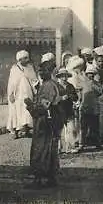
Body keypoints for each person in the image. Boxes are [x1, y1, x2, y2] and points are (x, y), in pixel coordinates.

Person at [24, 53, 63, 188]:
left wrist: (30, 106)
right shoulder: (46, 85)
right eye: (39, 71)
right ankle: (51, 178)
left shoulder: (49, 86)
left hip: (45, 121)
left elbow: (44, 106)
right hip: (46, 120)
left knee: (42, 149)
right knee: (49, 149)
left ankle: (39, 179)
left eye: (44, 70)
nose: (40, 73)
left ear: (50, 71)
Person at [7, 50, 38, 139]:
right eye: (22, 59)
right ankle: (16, 132)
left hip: (28, 94)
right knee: (17, 112)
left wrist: (35, 90)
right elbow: (11, 83)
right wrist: (11, 94)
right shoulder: (14, 69)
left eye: (25, 58)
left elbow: (34, 80)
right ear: (19, 60)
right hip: (18, 95)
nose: (24, 61)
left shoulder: (30, 68)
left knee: (27, 112)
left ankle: (27, 131)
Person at [78, 65, 103, 151]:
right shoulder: (82, 83)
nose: (91, 75)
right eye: (89, 74)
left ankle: (97, 143)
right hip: (84, 107)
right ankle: (81, 144)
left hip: (94, 108)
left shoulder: (97, 83)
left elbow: (101, 92)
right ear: (86, 74)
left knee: (95, 127)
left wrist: (93, 85)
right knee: (83, 127)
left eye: (93, 74)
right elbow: (79, 95)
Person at [66, 55, 87, 152]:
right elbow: (74, 88)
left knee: (79, 121)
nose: (80, 68)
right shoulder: (72, 75)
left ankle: (79, 140)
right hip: (74, 99)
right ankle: (73, 142)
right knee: (73, 122)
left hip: (81, 98)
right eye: (78, 67)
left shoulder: (81, 74)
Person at [55, 67, 78, 154]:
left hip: (69, 110)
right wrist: (61, 98)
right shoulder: (56, 86)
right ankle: (58, 148)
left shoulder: (70, 86)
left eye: (65, 76)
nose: (64, 78)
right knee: (58, 131)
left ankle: (71, 147)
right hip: (58, 111)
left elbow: (76, 97)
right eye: (62, 76)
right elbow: (52, 98)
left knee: (71, 129)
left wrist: (71, 96)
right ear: (59, 77)